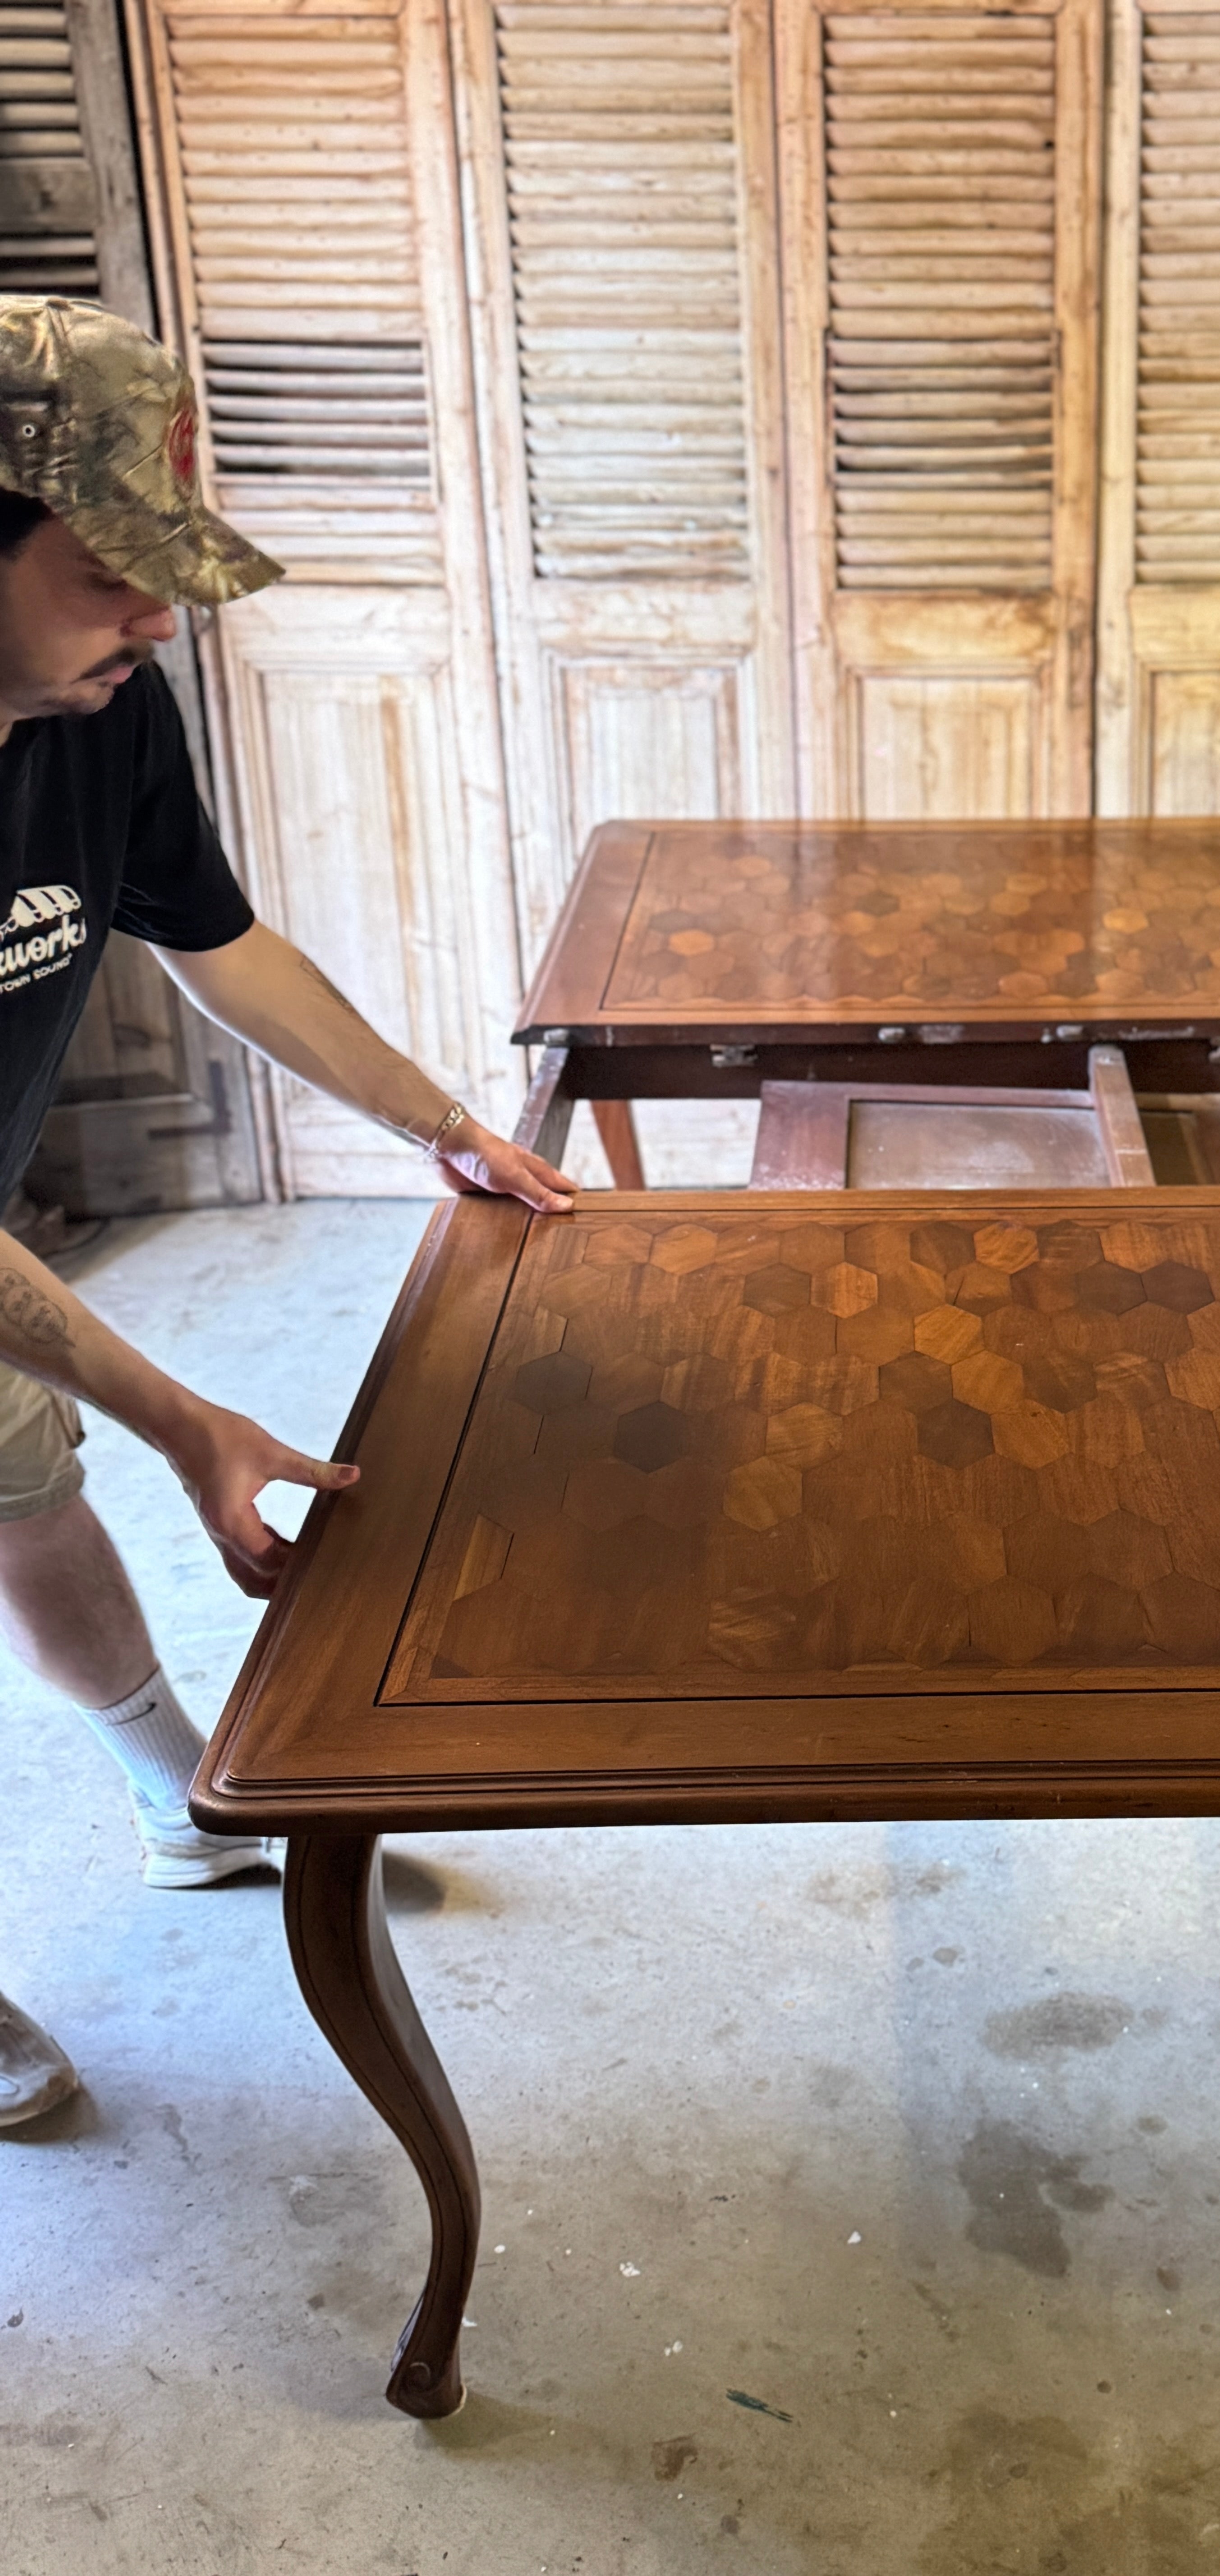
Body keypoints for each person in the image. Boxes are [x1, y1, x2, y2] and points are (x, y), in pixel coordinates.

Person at [0, 296, 573, 2126]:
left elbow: (216, 939)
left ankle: (181, 1800)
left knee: (23, 1485)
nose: (154, 618)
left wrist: (442, 1124)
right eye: (107, 571)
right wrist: (192, 1422)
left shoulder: (102, 713)